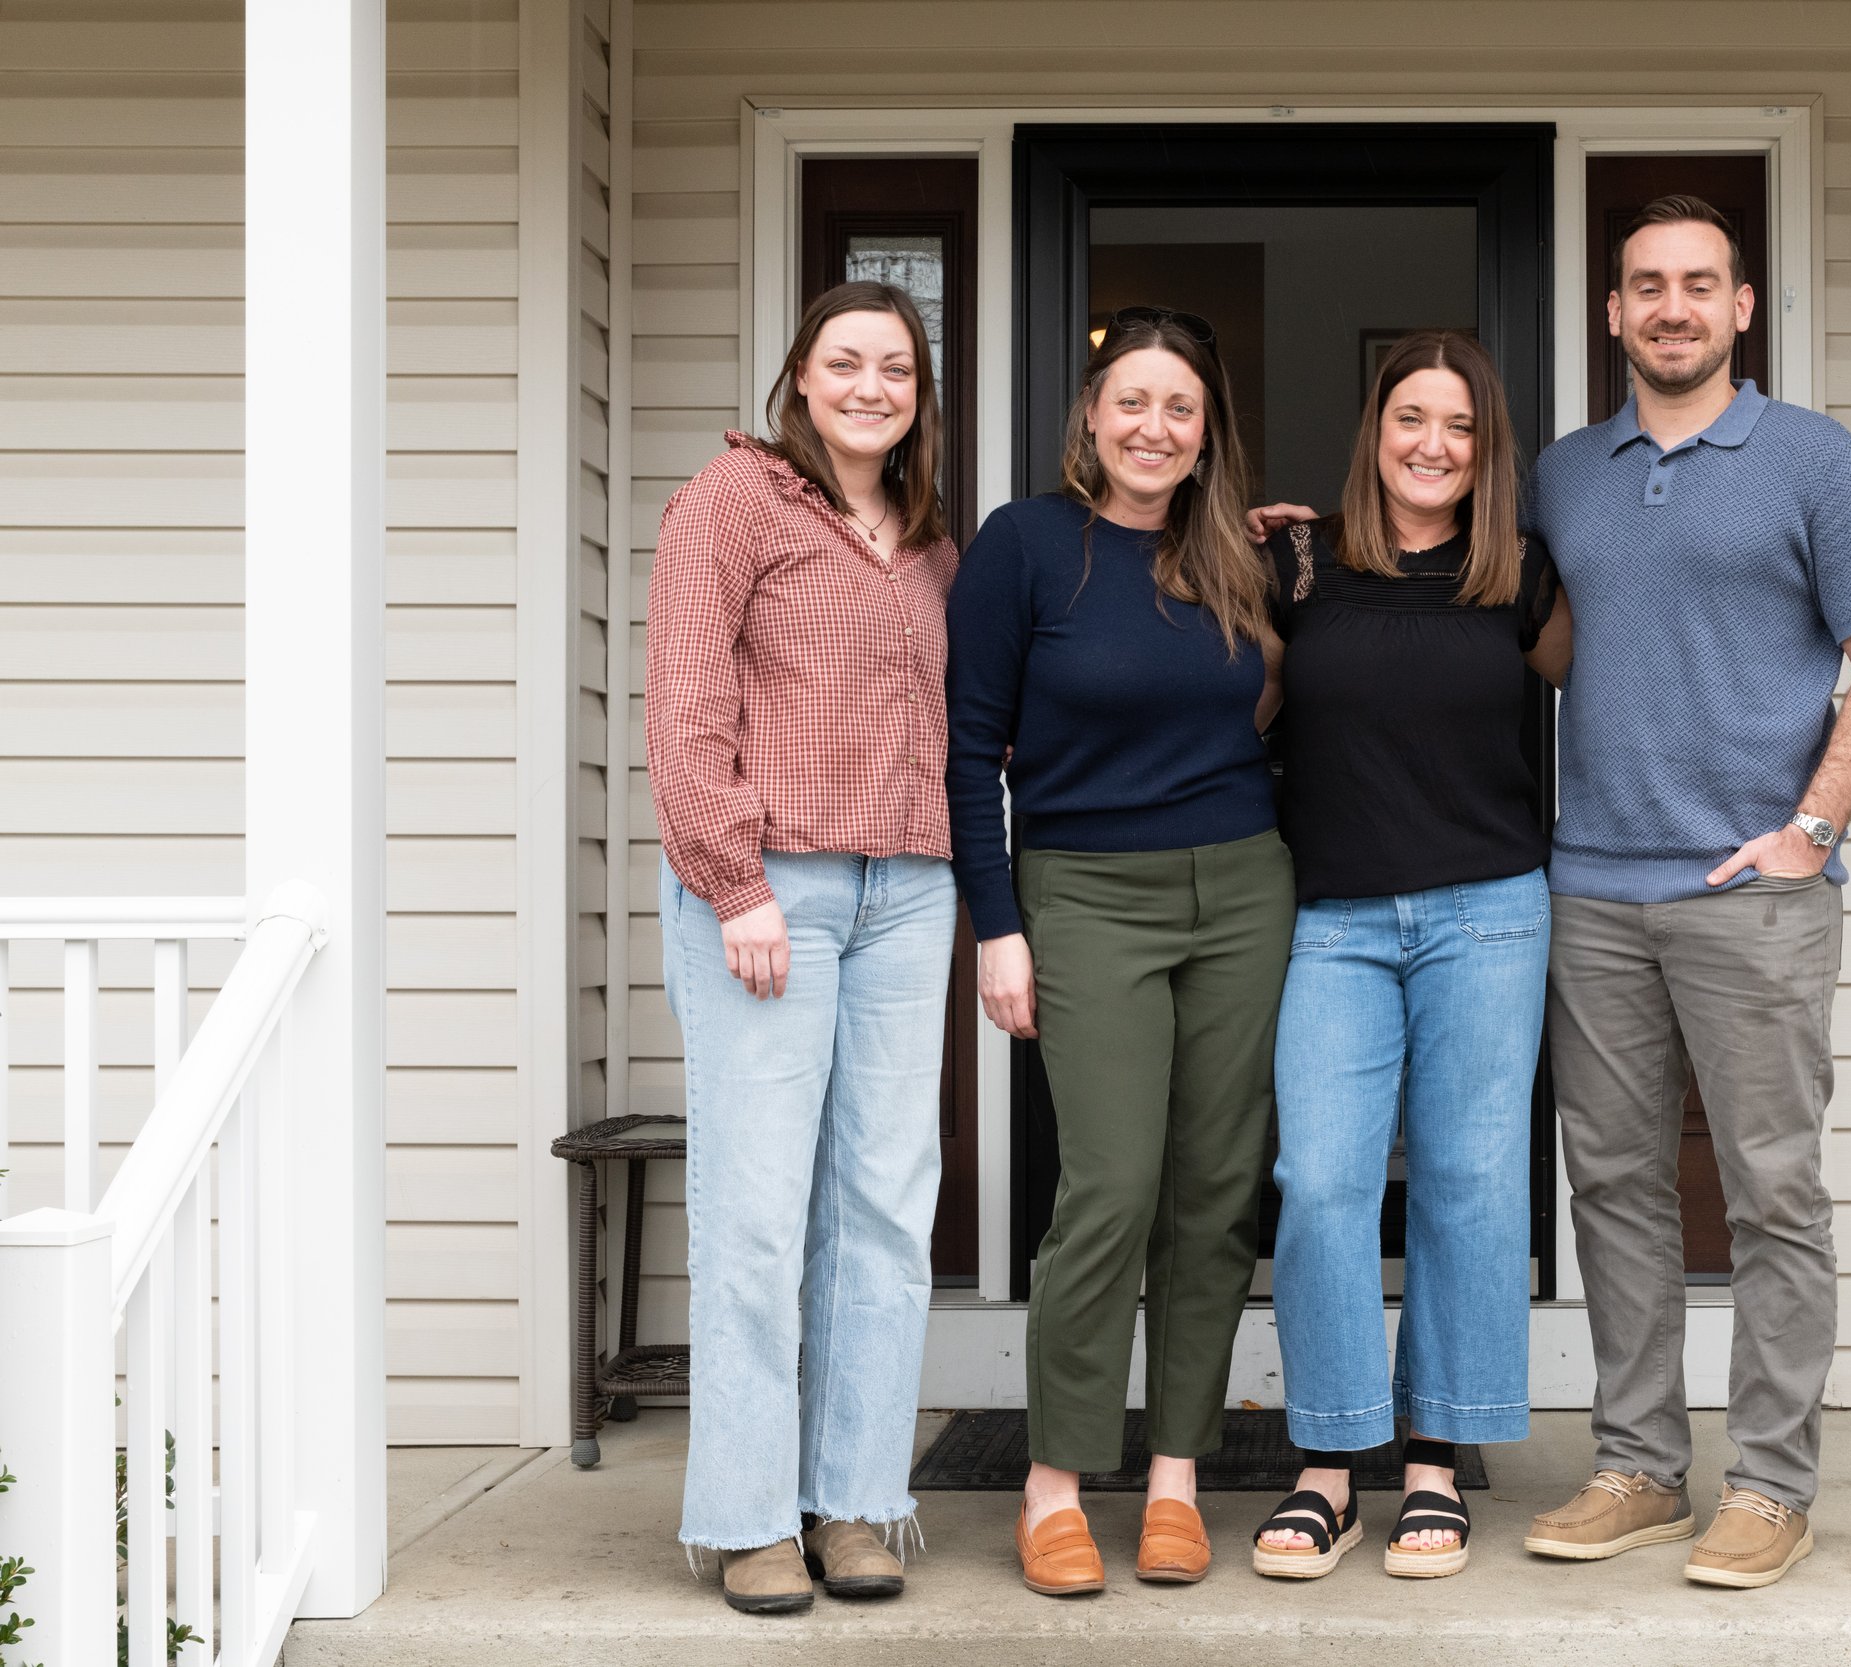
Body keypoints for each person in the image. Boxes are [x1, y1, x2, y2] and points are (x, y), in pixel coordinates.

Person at [1521, 195, 1851, 1589]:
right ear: (1615, 312)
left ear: (1741, 308)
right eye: (1648, 285)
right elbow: (1549, 644)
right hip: (1592, 886)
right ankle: (1638, 1461)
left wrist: (1812, 826)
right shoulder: (1567, 473)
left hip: (1753, 889)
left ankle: (1769, 1480)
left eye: (1700, 283)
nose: (1673, 305)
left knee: (1771, 1192)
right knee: (1617, 1185)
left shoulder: (1818, 461)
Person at [946, 307, 1294, 1597]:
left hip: (1244, 887)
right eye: (1133, 402)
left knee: (1214, 1193)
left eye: (1182, 408)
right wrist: (998, 923)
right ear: (1091, 415)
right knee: (1109, 1186)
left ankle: (1176, 1476)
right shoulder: (1025, 544)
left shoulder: (1239, 559)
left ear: (1209, 435)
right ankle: (1055, 1478)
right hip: (1084, 891)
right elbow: (968, 745)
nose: (1155, 427)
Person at [645, 281, 960, 1613]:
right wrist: (736, 882)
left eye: (896, 366)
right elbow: (687, 701)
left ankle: (854, 1498)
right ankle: (747, 1513)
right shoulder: (731, 500)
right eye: (847, 362)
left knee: (883, 1209)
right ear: (801, 375)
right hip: (769, 890)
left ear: (919, 391)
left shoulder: (934, 542)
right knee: (760, 1209)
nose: (871, 386)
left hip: (910, 888)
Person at [1241, 331, 1567, 1582]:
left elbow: (1614, 674)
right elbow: (1235, 687)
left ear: (1489, 450)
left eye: (1461, 427)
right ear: (1373, 430)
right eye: (1409, 419)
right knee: (1320, 1181)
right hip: (1335, 918)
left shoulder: (1523, 576)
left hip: (1489, 909)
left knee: (1470, 1179)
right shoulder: (1298, 559)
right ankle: (1326, 1461)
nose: (1432, 445)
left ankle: (1434, 1457)